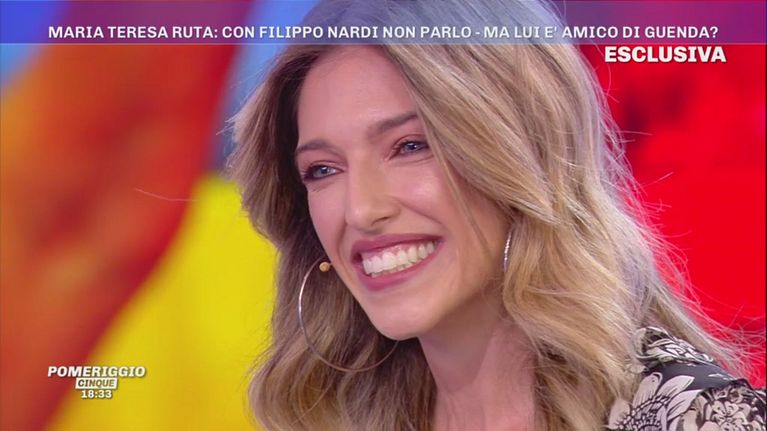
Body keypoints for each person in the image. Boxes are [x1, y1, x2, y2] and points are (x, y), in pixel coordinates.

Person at [229, 1, 765, 430]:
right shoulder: (332, 417)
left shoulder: (695, 418)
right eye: (323, 170)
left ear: (521, 151)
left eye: (411, 146)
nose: (362, 210)